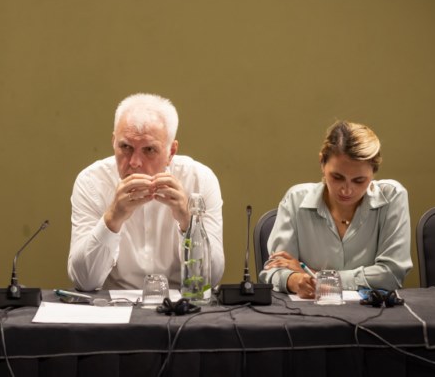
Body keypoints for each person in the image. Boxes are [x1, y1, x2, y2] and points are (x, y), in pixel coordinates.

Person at [68, 93, 224, 291]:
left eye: (149, 150)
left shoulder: (200, 180)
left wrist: (187, 220)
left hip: (182, 305)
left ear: (171, 152)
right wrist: (112, 218)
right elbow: (84, 281)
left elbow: (211, 278)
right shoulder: (91, 182)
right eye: (126, 147)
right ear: (114, 142)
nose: (134, 162)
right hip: (114, 306)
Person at [260, 120, 412, 298]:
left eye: (359, 181)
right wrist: (294, 280)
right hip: (309, 311)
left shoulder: (392, 196)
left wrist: (319, 277)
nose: (347, 190)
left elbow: (391, 274)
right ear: (322, 163)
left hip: (373, 312)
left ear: (374, 172)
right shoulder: (295, 199)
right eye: (337, 177)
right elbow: (274, 269)